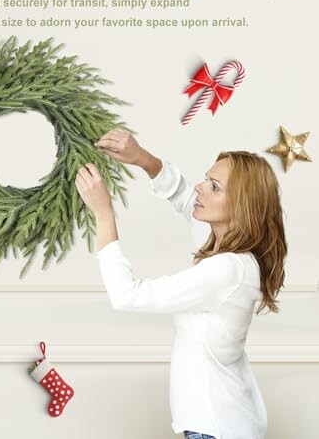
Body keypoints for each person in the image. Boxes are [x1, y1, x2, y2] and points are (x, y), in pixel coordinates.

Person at [75, 128, 287, 439]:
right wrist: (143, 158)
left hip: (217, 429)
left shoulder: (227, 269)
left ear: (241, 207)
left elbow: (127, 295)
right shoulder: (225, 245)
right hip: (228, 423)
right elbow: (183, 194)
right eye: (206, 178)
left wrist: (103, 213)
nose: (200, 188)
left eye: (214, 187)